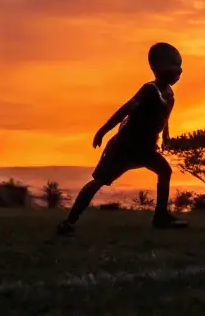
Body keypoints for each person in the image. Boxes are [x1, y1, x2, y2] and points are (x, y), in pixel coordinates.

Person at [57, 42, 189, 234]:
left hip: (146, 149)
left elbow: (164, 116)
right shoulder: (149, 89)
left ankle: (160, 217)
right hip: (124, 148)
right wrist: (102, 131)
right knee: (98, 181)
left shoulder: (168, 93)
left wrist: (166, 136)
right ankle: (69, 222)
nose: (178, 71)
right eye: (173, 66)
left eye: (179, 66)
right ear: (158, 68)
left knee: (165, 171)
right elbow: (126, 109)